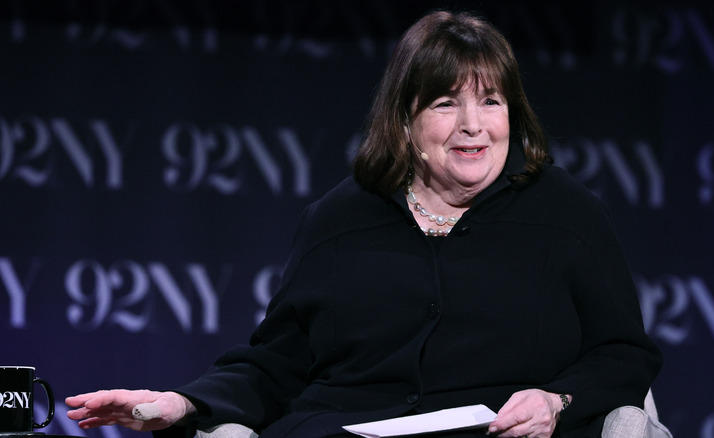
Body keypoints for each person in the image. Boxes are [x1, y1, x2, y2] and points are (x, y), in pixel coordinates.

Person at [65, 10, 662, 438]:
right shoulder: (338, 220)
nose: (474, 125)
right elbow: (278, 362)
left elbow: (623, 352)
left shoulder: (566, 214)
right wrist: (183, 402)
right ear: (406, 119)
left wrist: (557, 400)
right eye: (447, 103)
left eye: (492, 101)